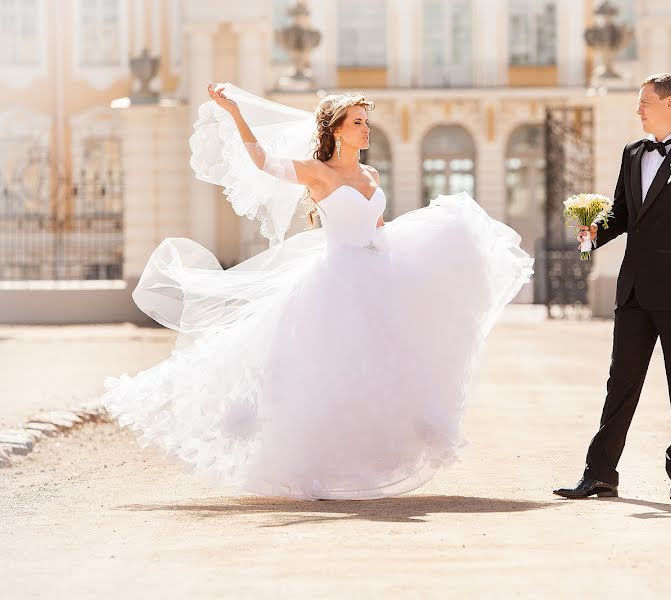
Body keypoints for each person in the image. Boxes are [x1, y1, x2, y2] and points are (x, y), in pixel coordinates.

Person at [101, 84, 533, 500]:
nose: (366, 130)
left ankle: (369, 457)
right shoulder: (318, 174)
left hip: (382, 276)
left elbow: (378, 226)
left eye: (366, 122)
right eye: (358, 123)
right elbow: (264, 163)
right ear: (337, 130)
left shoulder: (371, 173)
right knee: (329, 373)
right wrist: (236, 114)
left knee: (385, 370)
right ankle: (317, 466)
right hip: (338, 283)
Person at [554, 73, 671, 501]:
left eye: (645, 101)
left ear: (670, 103)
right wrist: (594, 233)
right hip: (632, 290)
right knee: (621, 382)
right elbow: (625, 212)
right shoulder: (633, 153)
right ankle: (600, 473)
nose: (639, 109)